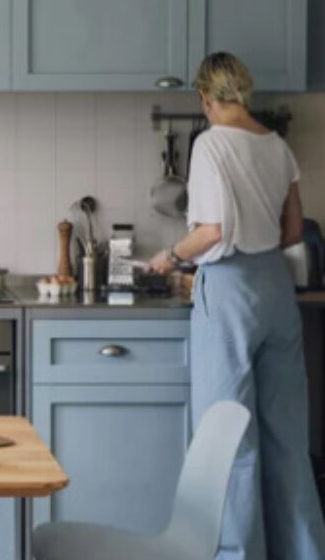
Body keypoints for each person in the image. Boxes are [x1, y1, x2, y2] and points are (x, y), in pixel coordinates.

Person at [148, 52, 325, 560]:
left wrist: (170, 256)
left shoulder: (210, 145)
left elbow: (213, 232)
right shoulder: (277, 145)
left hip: (229, 291)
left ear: (206, 98)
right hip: (275, 287)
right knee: (288, 435)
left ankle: (237, 554)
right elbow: (293, 232)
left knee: (228, 438)